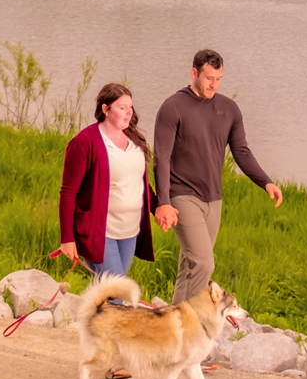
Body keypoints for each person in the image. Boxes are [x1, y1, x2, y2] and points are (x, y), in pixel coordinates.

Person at [149, 48, 281, 307]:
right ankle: (194, 327)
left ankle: (172, 331)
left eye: (218, 79)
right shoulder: (173, 107)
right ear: (194, 73)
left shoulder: (229, 109)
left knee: (190, 264)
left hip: (213, 198)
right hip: (181, 195)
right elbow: (161, 157)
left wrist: (265, 181)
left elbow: (241, 151)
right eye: (209, 78)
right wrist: (163, 201)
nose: (214, 84)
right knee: (203, 262)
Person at [58, 81, 159, 286]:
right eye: (122, 108)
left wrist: (157, 208)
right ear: (105, 109)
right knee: (116, 294)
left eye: (130, 107)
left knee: (104, 292)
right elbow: (68, 193)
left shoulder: (135, 139)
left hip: (130, 231)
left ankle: (89, 318)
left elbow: (139, 184)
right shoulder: (85, 142)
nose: (129, 112)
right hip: (100, 232)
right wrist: (67, 239)